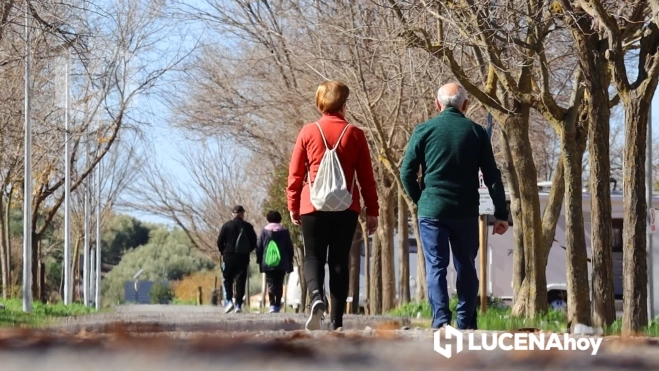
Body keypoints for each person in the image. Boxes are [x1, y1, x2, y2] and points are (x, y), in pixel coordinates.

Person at [400, 83, 509, 330]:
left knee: (436, 266)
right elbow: (492, 175)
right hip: (465, 212)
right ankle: (465, 323)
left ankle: (440, 322)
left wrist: (421, 200)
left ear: (437, 105)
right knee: (466, 266)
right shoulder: (476, 132)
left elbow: (406, 172)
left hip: (432, 212)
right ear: (465, 105)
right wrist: (501, 214)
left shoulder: (424, 130)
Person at [287, 80, 379, 331]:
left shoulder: (308, 131)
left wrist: (293, 205)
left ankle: (316, 296)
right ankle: (337, 322)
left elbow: (295, 175)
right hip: (346, 206)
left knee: (313, 255)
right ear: (344, 103)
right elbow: (366, 178)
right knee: (339, 259)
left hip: (312, 205)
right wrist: (373, 211)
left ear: (321, 103)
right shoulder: (355, 134)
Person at [217, 205, 257, 314]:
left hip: (229, 256)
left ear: (232, 214)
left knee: (227, 278)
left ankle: (229, 301)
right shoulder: (248, 227)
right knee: (241, 280)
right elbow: (254, 242)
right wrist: (247, 250)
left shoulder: (227, 226)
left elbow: (220, 241)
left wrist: (223, 251)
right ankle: (238, 304)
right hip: (243, 257)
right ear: (242, 214)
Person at [256, 210, 295, 313]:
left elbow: (259, 247)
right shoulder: (285, 232)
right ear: (280, 219)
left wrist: (259, 260)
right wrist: (290, 260)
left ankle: (272, 304)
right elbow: (290, 248)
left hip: (268, 262)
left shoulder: (264, 232)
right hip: (282, 262)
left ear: (268, 219)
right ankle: (277, 303)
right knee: (279, 282)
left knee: (271, 283)